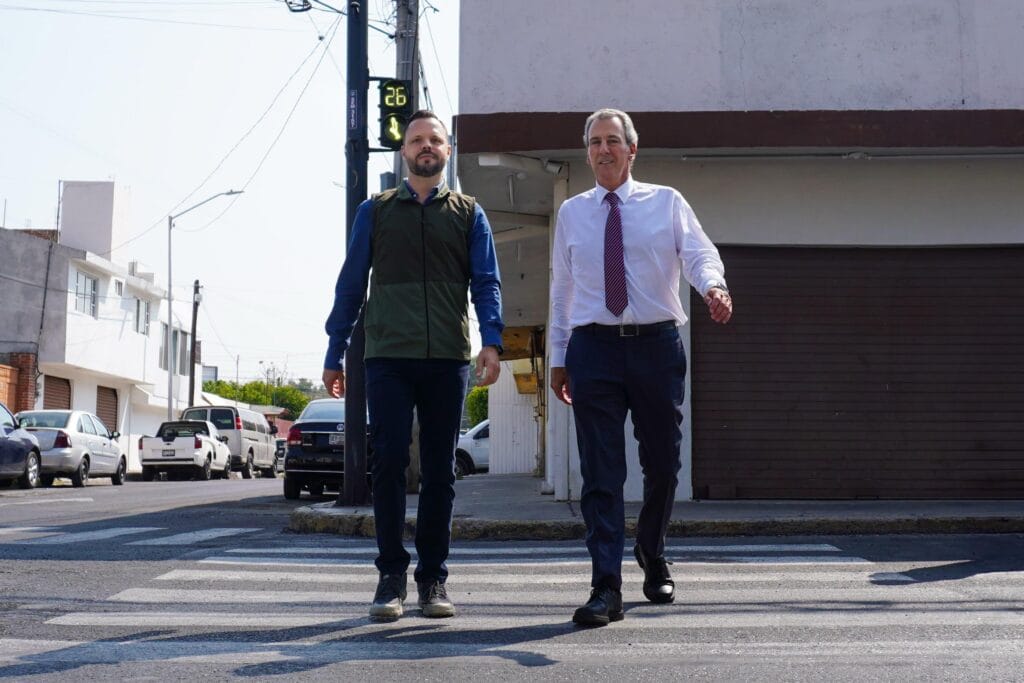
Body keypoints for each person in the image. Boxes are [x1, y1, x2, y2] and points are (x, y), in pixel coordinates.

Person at [549, 108, 733, 627]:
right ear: (587, 152)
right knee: (601, 472)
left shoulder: (666, 201)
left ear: (632, 149)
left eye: (613, 140)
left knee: (664, 465)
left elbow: (698, 254)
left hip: (656, 347)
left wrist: (713, 287)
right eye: (594, 142)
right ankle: (605, 587)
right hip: (593, 350)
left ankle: (652, 552)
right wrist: (559, 357)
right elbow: (562, 289)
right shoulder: (572, 213)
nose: (603, 150)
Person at [323, 109, 504, 620]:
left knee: (440, 471)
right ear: (404, 151)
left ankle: (432, 579)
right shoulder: (375, 211)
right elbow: (351, 283)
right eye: (417, 139)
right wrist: (335, 352)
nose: (426, 146)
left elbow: (486, 281)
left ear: (447, 151)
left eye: (435, 140)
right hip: (387, 356)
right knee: (388, 465)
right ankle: (390, 577)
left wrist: (492, 340)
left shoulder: (469, 213)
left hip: (448, 357)